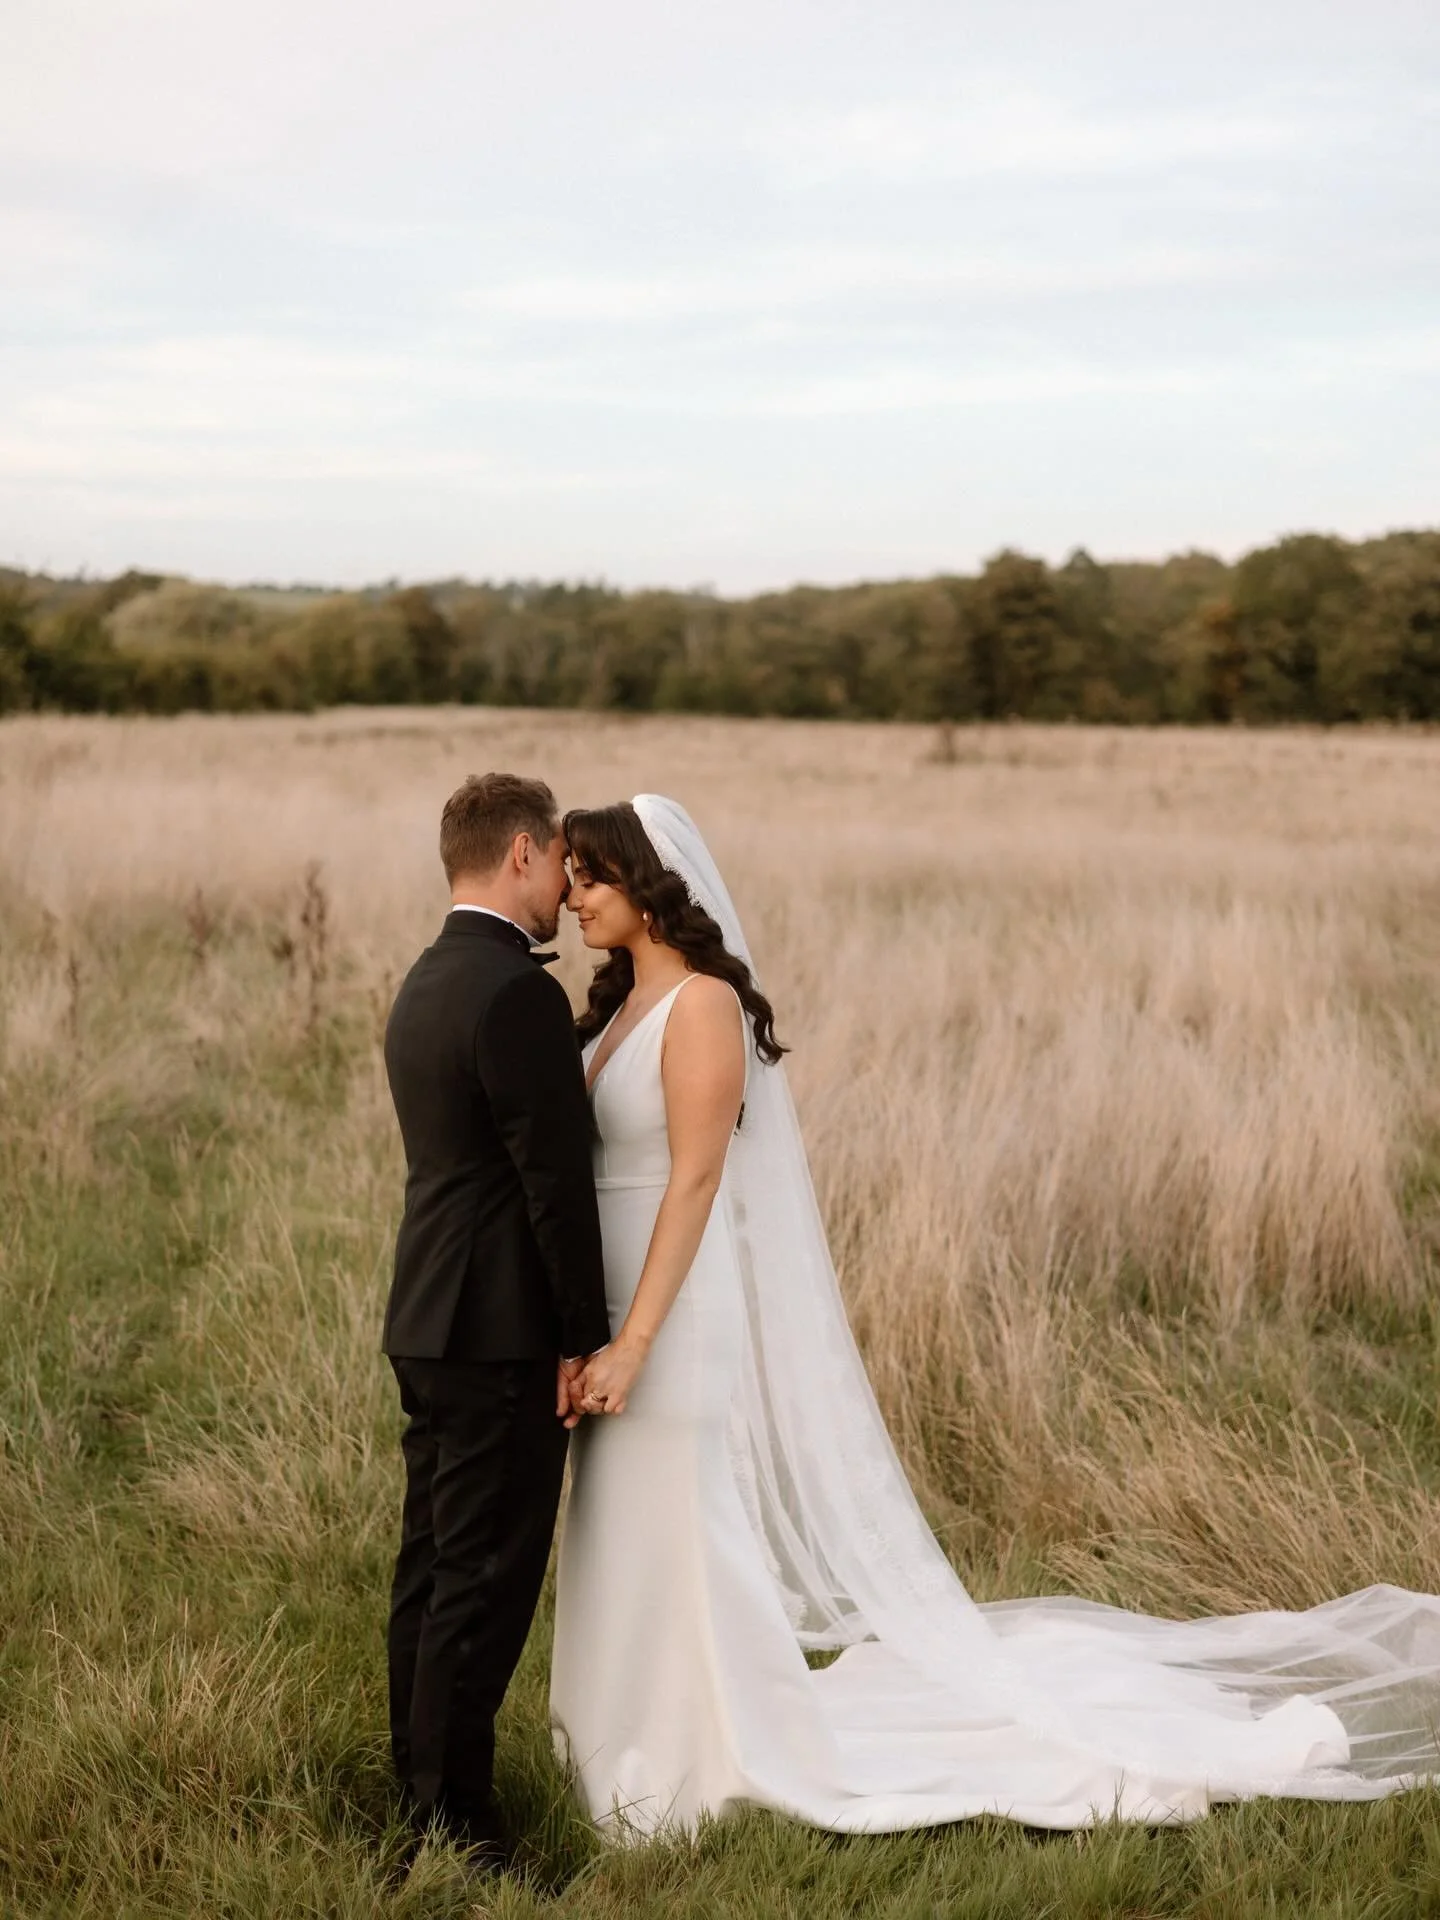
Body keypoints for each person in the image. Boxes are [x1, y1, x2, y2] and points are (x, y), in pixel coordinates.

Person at [549, 792, 1440, 1838]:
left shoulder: (699, 1005)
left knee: (682, 1531)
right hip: (611, 1320)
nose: (572, 896)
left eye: (591, 876)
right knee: (620, 1528)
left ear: (651, 889)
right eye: (566, 875)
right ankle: (626, 1736)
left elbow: (696, 1183)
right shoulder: (614, 1016)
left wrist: (636, 1340)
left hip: (667, 1322)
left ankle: (715, 1749)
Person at [381, 772, 612, 1868]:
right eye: (562, 858)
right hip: (498, 1328)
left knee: (432, 1565)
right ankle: (454, 1828)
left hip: (428, 1311)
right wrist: (585, 1334)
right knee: (480, 1577)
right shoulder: (513, 993)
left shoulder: (429, 977)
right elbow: (551, 1184)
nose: (570, 882)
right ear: (521, 851)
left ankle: (420, 1788)